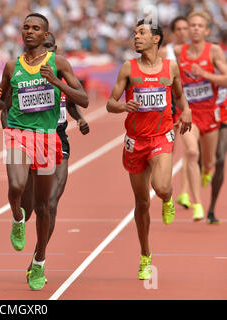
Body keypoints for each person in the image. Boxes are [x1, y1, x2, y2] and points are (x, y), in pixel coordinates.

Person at [0, 13, 89, 290]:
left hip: (47, 138)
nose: (30, 31)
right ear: (21, 33)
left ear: (46, 36)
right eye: (26, 27)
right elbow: (3, 104)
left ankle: (39, 262)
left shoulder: (58, 64)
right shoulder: (12, 66)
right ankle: (18, 219)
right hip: (19, 134)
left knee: (45, 207)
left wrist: (57, 82)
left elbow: (84, 99)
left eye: (36, 28)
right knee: (16, 185)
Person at [106, 19, 192, 280]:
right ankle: (145, 254)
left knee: (163, 187)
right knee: (142, 203)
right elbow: (111, 103)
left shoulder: (170, 67)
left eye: (142, 33)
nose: (136, 37)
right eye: (134, 33)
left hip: (161, 136)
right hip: (135, 141)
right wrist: (123, 107)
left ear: (156, 39)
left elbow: (178, 96)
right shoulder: (128, 68)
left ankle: (167, 199)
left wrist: (186, 110)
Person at [174, 11, 227, 221]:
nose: (195, 28)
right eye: (192, 25)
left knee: (209, 161)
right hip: (188, 114)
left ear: (206, 30)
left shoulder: (213, 51)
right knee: (191, 152)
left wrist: (204, 74)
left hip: (210, 114)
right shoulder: (178, 51)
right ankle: (197, 204)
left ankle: (207, 170)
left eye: (199, 26)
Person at [159, 16, 192, 209]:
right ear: (173, 32)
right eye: (178, 29)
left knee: (191, 149)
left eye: (184, 28)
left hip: (189, 107)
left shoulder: (195, 52)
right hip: (169, 108)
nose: (182, 32)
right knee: (169, 152)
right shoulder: (165, 52)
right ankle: (167, 192)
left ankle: (185, 193)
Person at [207, 86, 227, 224]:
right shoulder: (204, 65)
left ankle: (211, 209)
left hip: (224, 116)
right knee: (203, 160)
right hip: (205, 114)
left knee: (220, 159)